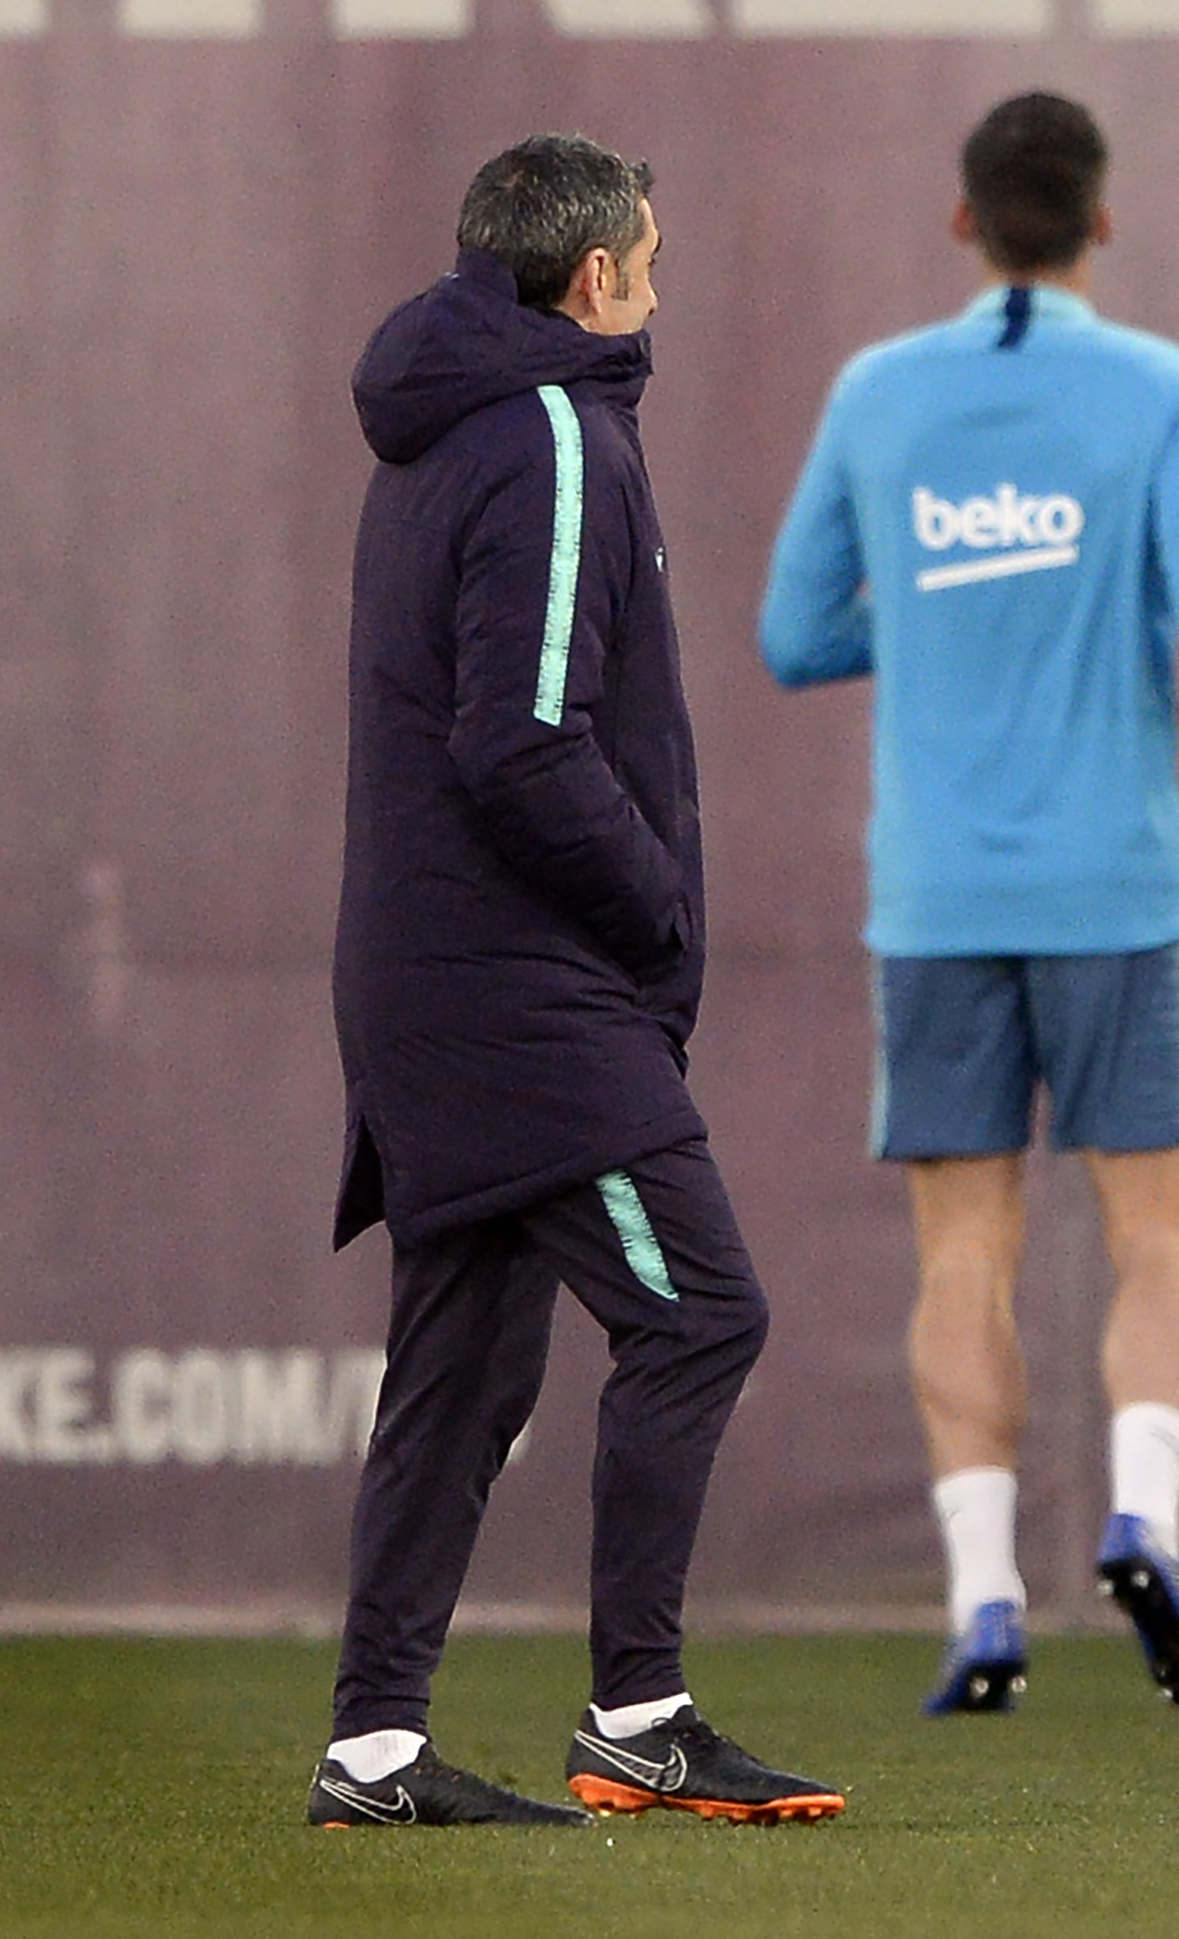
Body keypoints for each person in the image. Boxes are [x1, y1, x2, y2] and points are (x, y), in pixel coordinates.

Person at [310, 134, 840, 1828]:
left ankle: (373, 1754)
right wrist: (658, 908)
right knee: (700, 1313)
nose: (661, 292)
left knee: (464, 1370)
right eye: (653, 262)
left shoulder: (465, 418)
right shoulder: (549, 430)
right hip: (514, 990)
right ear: (593, 277)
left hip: (443, 974)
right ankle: (640, 1716)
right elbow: (523, 741)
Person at [758, 92, 1179, 1718]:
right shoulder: (1171, 388)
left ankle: (984, 1600)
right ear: (1102, 222)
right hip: (1117, 882)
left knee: (963, 1246)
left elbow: (790, 632)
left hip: (936, 892)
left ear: (962, 222)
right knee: (1160, 1236)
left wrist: (926, 617)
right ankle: (1144, 1517)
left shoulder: (878, 392)